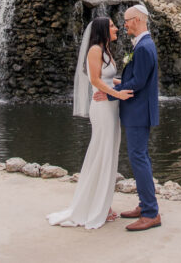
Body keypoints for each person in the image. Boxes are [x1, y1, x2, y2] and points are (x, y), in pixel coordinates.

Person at [47, 17, 133, 229]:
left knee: (109, 153)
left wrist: (129, 84)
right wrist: (118, 95)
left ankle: (103, 203)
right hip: (102, 108)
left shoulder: (106, 50)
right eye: (112, 25)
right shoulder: (95, 50)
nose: (117, 28)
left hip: (111, 107)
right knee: (101, 153)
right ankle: (95, 206)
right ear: (103, 29)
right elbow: (95, 80)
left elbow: (108, 78)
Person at [95, 4, 161, 232]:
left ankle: (151, 213)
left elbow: (139, 83)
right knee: (140, 158)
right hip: (139, 111)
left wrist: (110, 94)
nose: (124, 25)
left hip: (138, 112)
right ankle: (146, 206)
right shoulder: (144, 45)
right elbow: (136, 78)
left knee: (138, 158)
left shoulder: (143, 47)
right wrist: (117, 84)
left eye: (127, 21)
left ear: (138, 20)